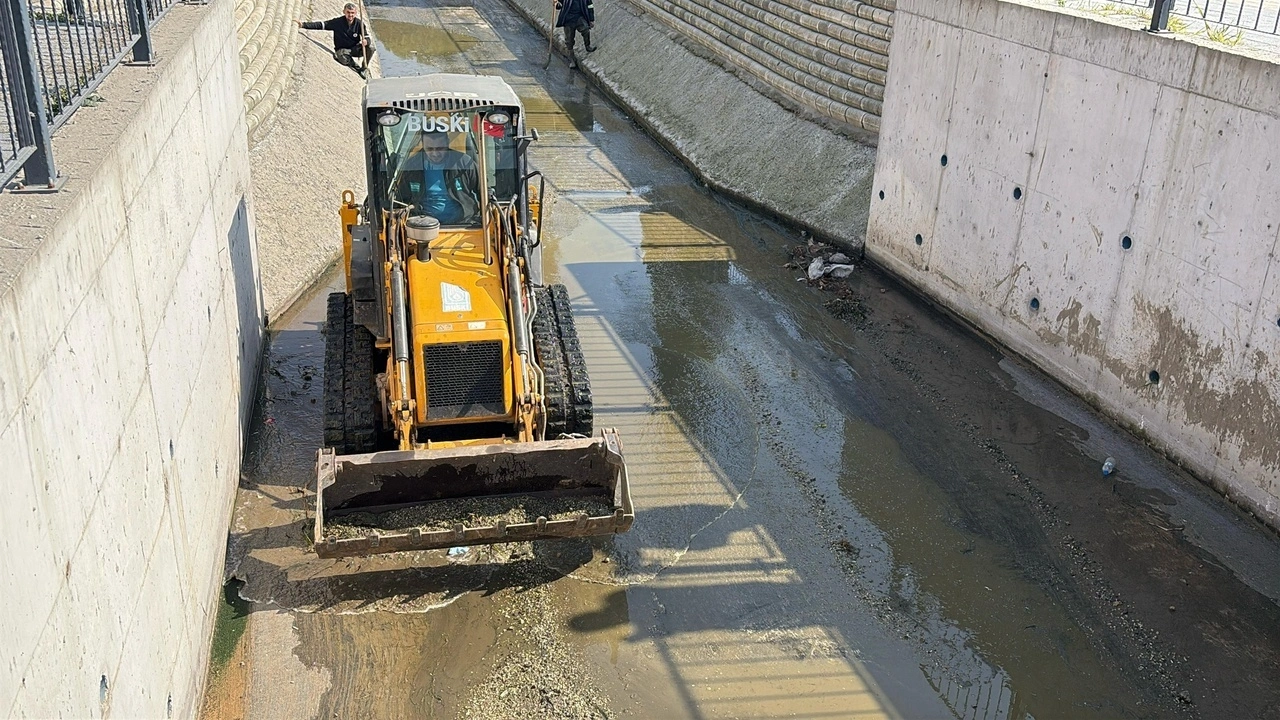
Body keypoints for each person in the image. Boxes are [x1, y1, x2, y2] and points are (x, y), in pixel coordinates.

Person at [397, 131, 480, 226]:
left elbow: (483, 190)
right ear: (423, 145)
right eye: (429, 149)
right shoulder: (412, 166)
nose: (435, 153)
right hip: (423, 226)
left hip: (463, 224)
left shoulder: (464, 162)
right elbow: (401, 199)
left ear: (447, 143)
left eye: (440, 148)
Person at [296, 2, 373, 78]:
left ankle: (364, 68)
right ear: (344, 12)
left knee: (371, 48)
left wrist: (366, 41)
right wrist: (303, 25)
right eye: (348, 12)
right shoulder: (338, 22)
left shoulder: (359, 23)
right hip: (342, 50)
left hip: (355, 48)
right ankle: (356, 67)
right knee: (342, 57)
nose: (350, 15)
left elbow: (367, 37)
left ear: (355, 13)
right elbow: (322, 25)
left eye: (352, 13)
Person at [554, 0, 596, 70]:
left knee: (586, 29)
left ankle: (587, 46)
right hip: (568, 20)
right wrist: (556, 4)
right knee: (569, 41)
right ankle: (572, 60)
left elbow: (590, 6)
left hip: (579, 18)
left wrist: (591, 19)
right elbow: (560, 6)